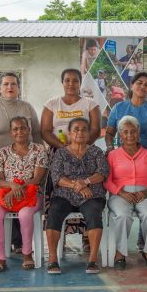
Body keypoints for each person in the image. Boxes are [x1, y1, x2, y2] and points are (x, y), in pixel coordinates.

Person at [46, 118, 109, 275]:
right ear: (69, 133)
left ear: (89, 134)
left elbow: (102, 173)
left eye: (83, 130)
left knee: (94, 212)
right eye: (76, 129)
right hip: (65, 193)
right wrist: (77, 185)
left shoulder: (96, 152)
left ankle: (93, 260)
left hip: (91, 194)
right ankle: (53, 259)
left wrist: (86, 182)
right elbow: (57, 177)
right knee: (54, 212)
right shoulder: (60, 153)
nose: (80, 132)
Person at [0, 117, 48, 272]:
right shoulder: (2, 153)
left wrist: (17, 188)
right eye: (15, 129)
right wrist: (12, 186)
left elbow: (36, 179)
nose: (19, 131)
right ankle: (0, 257)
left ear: (29, 130)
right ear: (10, 132)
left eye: (23, 128)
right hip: (7, 194)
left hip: (32, 194)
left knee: (24, 215)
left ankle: (27, 254)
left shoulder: (39, 150)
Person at [105, 115, 147, 269]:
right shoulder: (112, 155)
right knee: (122, 216)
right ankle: (120, 253)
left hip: (144, 194)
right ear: (120, 135)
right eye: (125, 132)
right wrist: (121, 193)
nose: (129, 135)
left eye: (133, 132)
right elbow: (107, 181)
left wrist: (146, 192)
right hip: (120, 194)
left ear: (138, 133)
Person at [0, 72, 42, 156]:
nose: (10, 87)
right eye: (6, 84)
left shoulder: (27, 107)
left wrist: (40, 155)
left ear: (19, 88)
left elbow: (36, 134)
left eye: (13, 84)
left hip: (26, 162)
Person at [105, 72, 147, 159]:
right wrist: (110, 148)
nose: (142, 86)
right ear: (131, 86)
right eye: (139, 83)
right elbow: (109, 133)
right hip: (124, 158)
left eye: (146, 85)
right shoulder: (118, 108)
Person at [41, 68, 101, 149]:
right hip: (58, 150)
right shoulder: (51, 103)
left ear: (80, 83)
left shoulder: (91, 104)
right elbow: (45, 131)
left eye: (75, 81)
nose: (71, 84)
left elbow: (95, 130)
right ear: (62, 83)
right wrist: (62, 147)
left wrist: (78, 146)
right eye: (67, 80)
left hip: (84, 150)